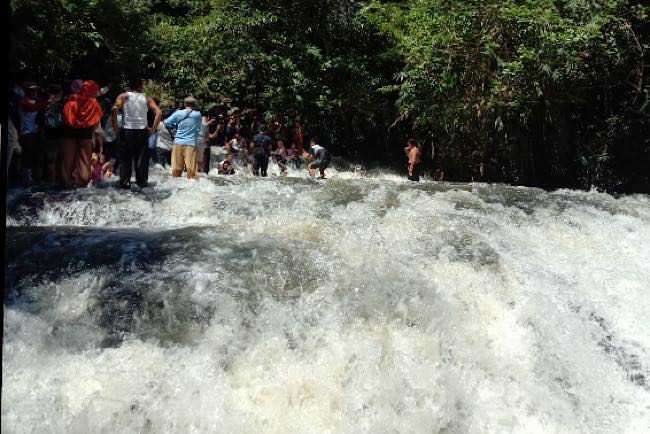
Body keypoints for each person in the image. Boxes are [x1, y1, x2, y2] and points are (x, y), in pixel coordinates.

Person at [112, 77, 162, 188]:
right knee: (142, 161)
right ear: (141, 86)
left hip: (127, 132)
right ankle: (142, 184)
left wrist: (116, 127)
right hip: (141, 132)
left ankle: (125, 184)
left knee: (125, 161)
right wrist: (153, 129)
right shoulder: (146, 98)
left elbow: (114, 109)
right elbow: (159, 112)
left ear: (129, 86)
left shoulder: (123, 96)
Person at [60, 80, 103, 188]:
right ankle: (81, 184)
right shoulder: (93, 103)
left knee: (67, 160)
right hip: (85, 133)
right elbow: (96, 121)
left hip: (69, 132)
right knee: (84, 162)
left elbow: (65, 118)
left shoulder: (70, 101)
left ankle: (65, 183)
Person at [163, 96, 203, 179]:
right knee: (191, 170)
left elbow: (166, 122)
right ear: (194, 104)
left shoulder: (178, 113)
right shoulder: (197, 115)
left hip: (178, 143)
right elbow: (198, 128)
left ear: (185, 104)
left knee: (176, 169)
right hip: (191, 144)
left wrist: (175, 125)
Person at [18, 81, 49, 185]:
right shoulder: (24, 101)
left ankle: (36, 178)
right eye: (32, 90)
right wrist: (47, 103)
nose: (34, 92)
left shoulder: (37, 101)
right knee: (27, 156)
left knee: (37, 156)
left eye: (35, 90)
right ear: (27, 91)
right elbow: (31, 108)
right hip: (26, 133)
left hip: (35, 133)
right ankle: (25, 179)